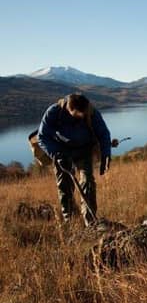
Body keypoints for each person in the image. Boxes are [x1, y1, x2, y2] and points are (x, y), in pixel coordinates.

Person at [38, 94, 112, 226]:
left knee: (88, 182)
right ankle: (70, 220)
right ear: (69, 109)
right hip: (62, 152)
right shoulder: (54, 112)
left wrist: (106, 155)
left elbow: (103, 134)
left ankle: (90, 221)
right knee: (64, 187)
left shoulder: (90, 111)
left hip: (84, 151)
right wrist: (56, 154)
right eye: (78, 115)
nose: (83, 116)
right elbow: (42, 137)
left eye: (84, 114)